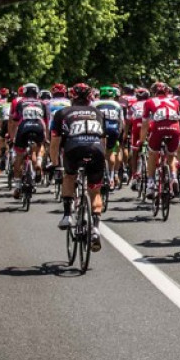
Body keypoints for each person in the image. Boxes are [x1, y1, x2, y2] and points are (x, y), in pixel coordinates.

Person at [48, 83, 107, 250]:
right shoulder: (98, 113)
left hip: (73, 149)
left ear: (71, 97)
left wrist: (55, 164)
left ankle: (67, 215)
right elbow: (103, 140)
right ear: (90, 98)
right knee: (94, 190)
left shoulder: (62, 113)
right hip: (96, 150)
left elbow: (54, 144)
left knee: (69, 176)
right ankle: (95, 228)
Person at [140, 82, 180, 200]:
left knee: (152, 155)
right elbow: (177, 118)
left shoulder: (149, 102)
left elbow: (145, 124)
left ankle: (150, 185)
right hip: (174, 129)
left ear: (154, 92)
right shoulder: (175, 101)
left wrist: (141, 140)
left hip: (158, 129)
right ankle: (174, 177)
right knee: (171, 157)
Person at [8, 84, 50, 183]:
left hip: (24, 127)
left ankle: (17, 185)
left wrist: (12, 138)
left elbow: (14, 122)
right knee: (40, 146)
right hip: (39, 126)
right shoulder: (42, 103)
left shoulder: (20, 102)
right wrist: (46, 138)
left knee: (19, 155)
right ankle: (39, 162)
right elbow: (46, 123)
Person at [93, 85, 127, 184]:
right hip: (113, 130)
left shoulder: (94, 104)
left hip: (98, 130)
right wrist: (120, 134)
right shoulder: (117, 105)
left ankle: (96, 175)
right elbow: (121, 121)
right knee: (110, 152)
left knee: (96, 153)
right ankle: (112, 176)